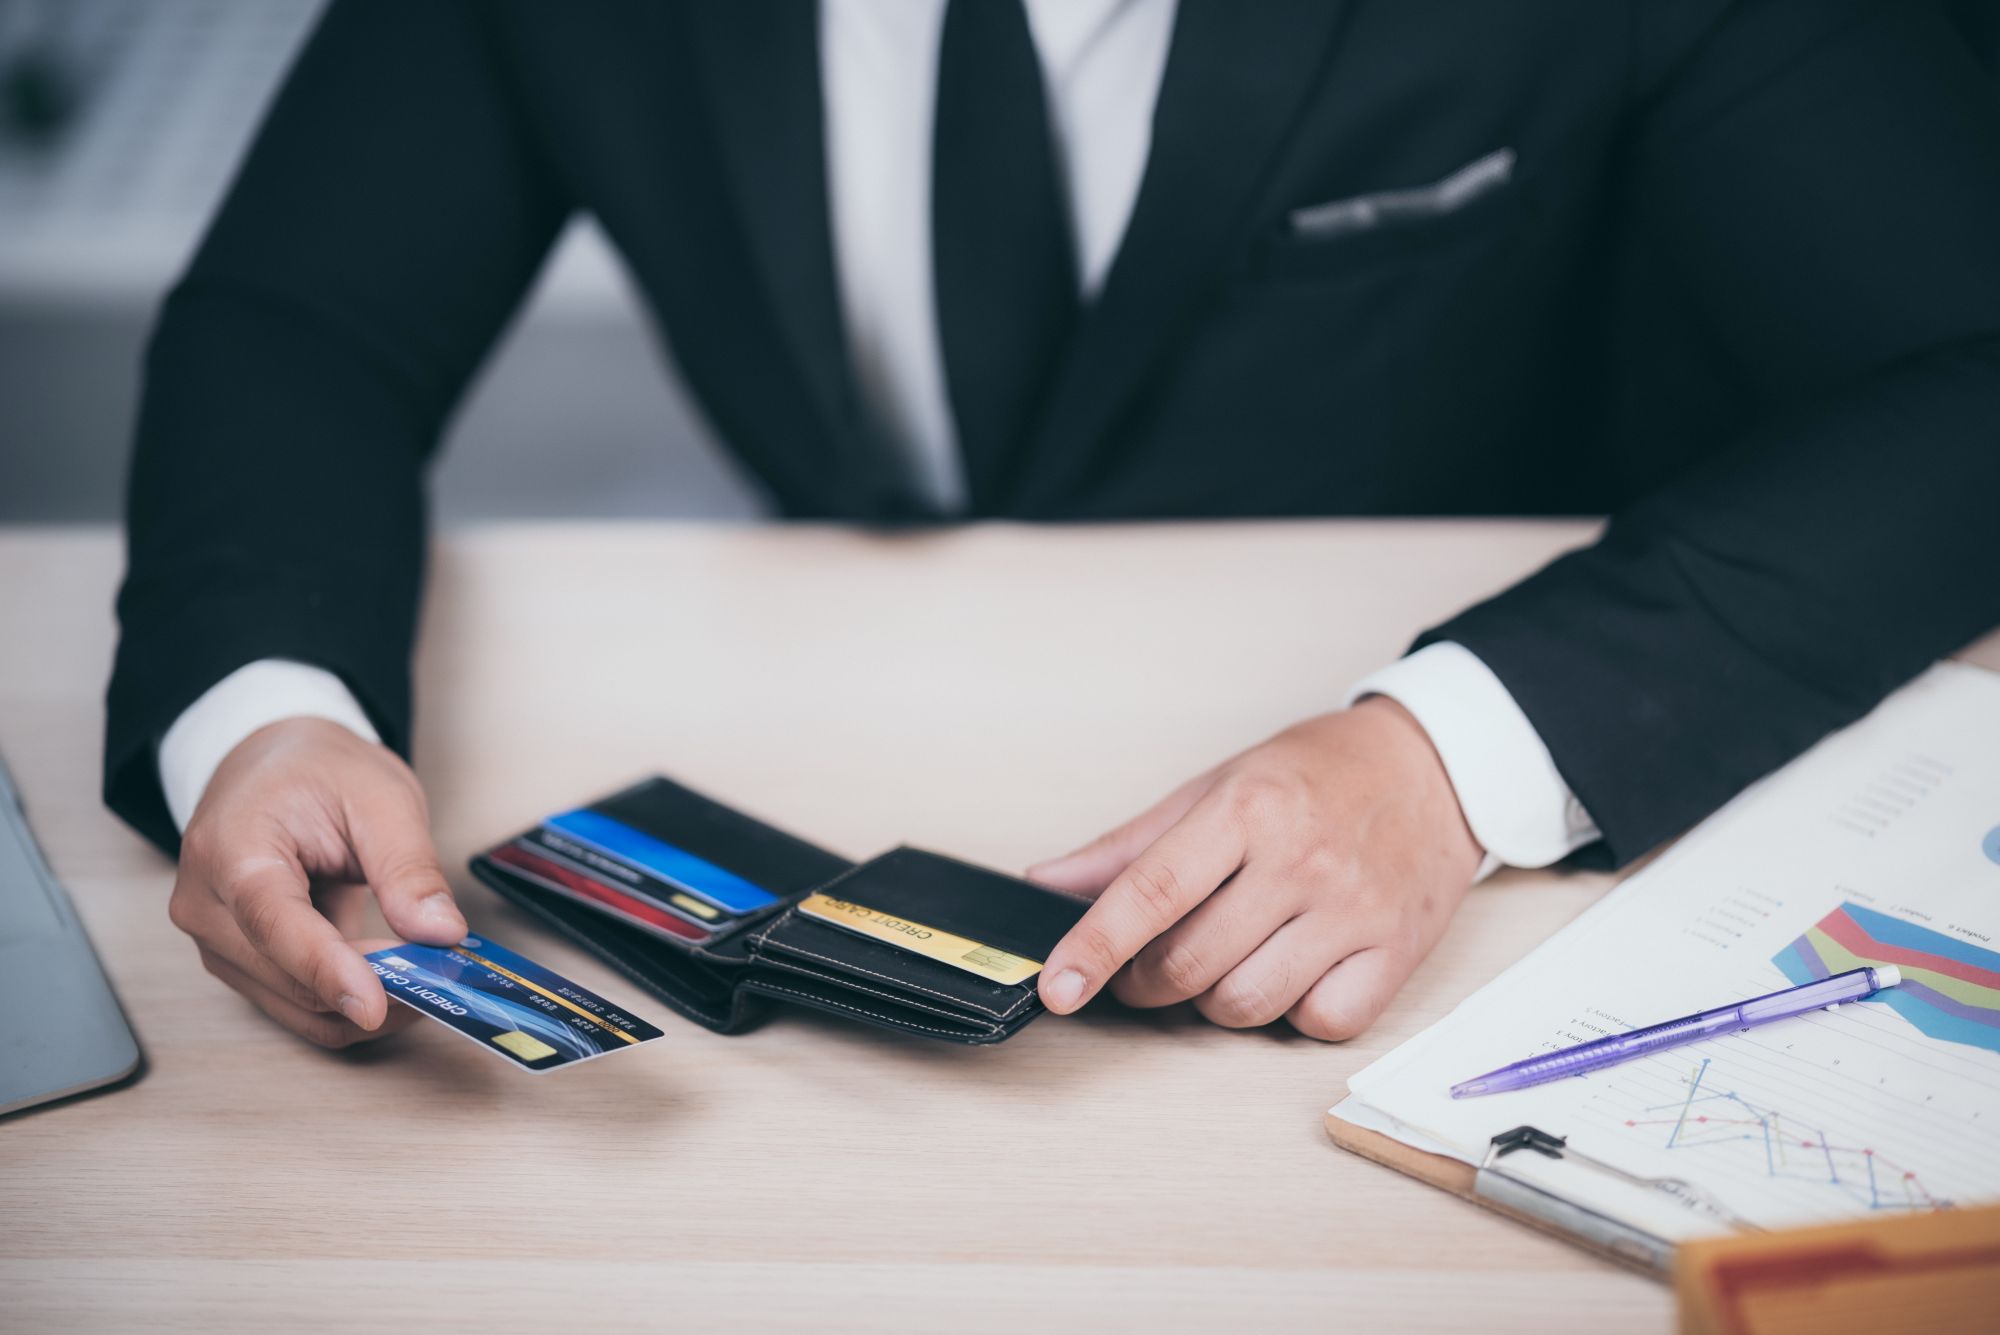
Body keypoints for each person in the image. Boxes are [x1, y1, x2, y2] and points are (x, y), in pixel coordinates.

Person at [108, 0, 2000, 1050]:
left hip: (1496, 862)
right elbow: (304, 318)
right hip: (848, 708)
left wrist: (1461, 757)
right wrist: (263, 701)